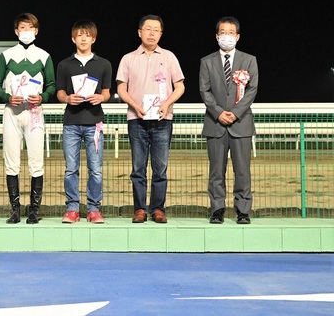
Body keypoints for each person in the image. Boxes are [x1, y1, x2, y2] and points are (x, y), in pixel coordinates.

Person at [116, 14, 185, 224]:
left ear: (161, 34)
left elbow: (180, 86)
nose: (152, 33)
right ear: (140, 32)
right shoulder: (128, 58)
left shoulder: (169, 57)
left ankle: (158, 209)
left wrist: (167, 104)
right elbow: (121, 88)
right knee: (138, 168)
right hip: (136, 119)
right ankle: (139, 209)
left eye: (156, 30)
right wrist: (135, 106)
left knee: (160, 168)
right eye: (148, 29)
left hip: (163, 120)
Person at [0, 12, 56, 224]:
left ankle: (34, 211)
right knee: (11, 162)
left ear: (36, 31)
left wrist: (43, 97)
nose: (26, 31)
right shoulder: (6, 55)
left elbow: (52, 85)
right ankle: (15, 210)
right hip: (12, 112)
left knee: (36, 162)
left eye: (30, 27)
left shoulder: (44, 56)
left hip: (35, 113)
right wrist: (7, 97)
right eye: (22, 27)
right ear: (16, 31)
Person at [199, 16, 258, 224]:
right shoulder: (206, 61)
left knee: (242, 171)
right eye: (223, 32)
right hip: (215, 124)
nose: (227, 36)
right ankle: (217, 210)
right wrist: (218, 113)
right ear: (217, 36)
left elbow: (252, 90)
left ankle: (243, 210)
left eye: (231, 32)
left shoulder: (249, 60)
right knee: (216, 171)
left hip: (241, 123)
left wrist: (235, 112)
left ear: (238, 36)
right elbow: (204, 91)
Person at [55, 20, 112, 224]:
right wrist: (67, 98)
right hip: (71, 122)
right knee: (71, 168)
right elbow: (59, 92)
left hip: (94, 122)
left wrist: (101, 98)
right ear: (73, 39)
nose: (83, 39)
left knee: (95, 169)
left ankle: (93, 209)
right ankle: (72, 208)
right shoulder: (64, 65)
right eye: (79, 35)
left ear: (93, 39)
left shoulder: (104, 64)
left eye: (87, 35)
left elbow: (107, 92)